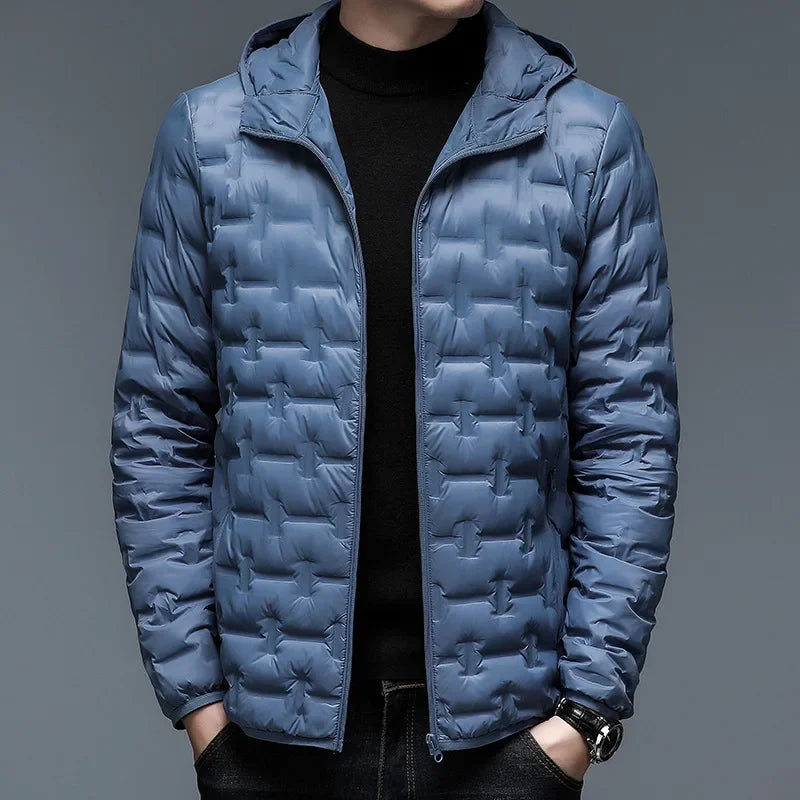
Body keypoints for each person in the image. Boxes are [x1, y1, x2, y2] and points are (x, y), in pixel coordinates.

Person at [109, 0, 680, 796]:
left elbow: (630, 444)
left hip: (507, 747)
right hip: (270, 746)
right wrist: (199, 705)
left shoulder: (586, 141)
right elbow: (158, 430)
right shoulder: (212, 137)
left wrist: (584, 716)